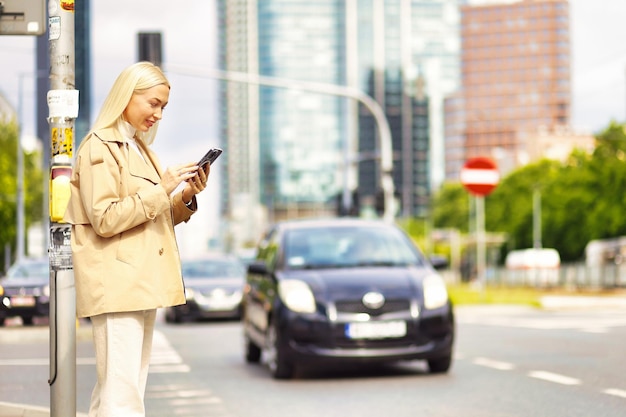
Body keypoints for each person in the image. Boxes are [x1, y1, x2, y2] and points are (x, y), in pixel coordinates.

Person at [63, 61, 209, 417]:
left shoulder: (140, 149)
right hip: (116, 284)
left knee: (118, 391)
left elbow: (153, 215)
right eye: (153, 103)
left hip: (136, 282)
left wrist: (186, 196)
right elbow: (106, 218)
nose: (158, 114)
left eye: (164, 107)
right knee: (122, 396)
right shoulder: (101, 146)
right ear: (127, 96)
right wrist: (163, 188)